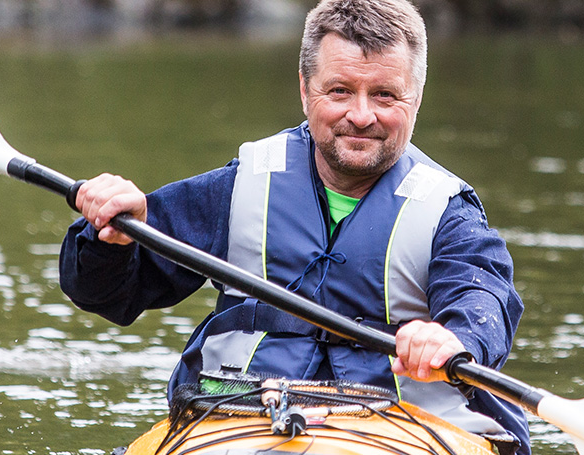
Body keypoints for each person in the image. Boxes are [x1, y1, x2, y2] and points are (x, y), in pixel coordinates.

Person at [57, 0, 528, 452]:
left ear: (416, 98)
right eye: (340, 90)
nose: (361, 116)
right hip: (242, 414)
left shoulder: (448, 212)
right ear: (305, 90)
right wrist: (111, 239)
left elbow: (483, 299)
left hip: (398, 422)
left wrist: (454, 339)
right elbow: (105, 293)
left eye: (384, 95)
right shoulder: (242, 185)